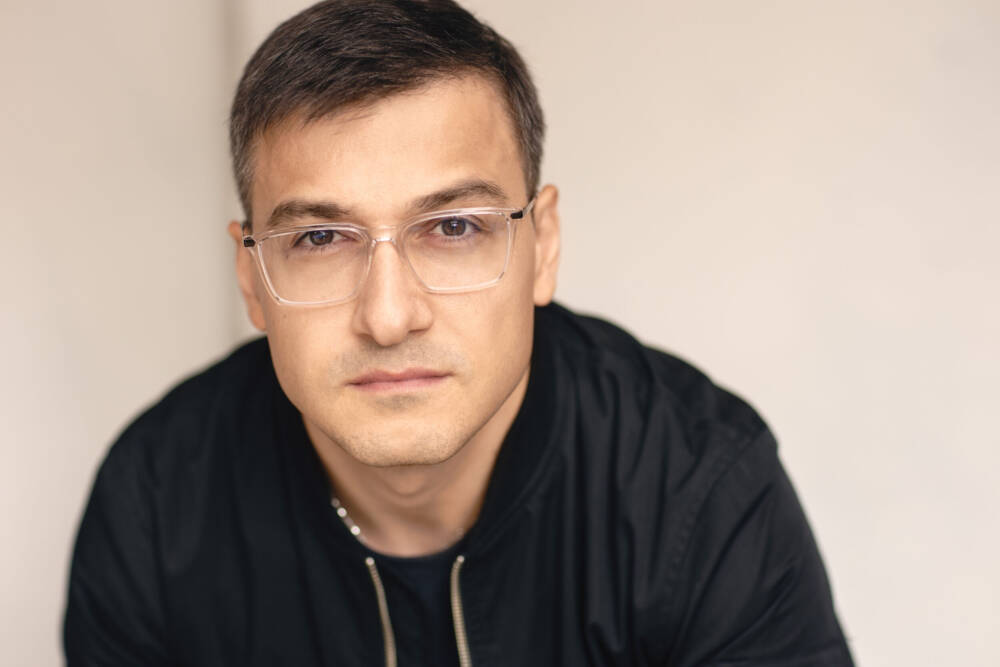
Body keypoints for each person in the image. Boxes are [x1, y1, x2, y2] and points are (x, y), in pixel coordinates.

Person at [64, 1, 854, 665]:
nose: (388, 314)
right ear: (251, 280)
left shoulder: (698, 490)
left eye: (451, 226)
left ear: (541, 247)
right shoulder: (156, 510)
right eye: (318, 239)